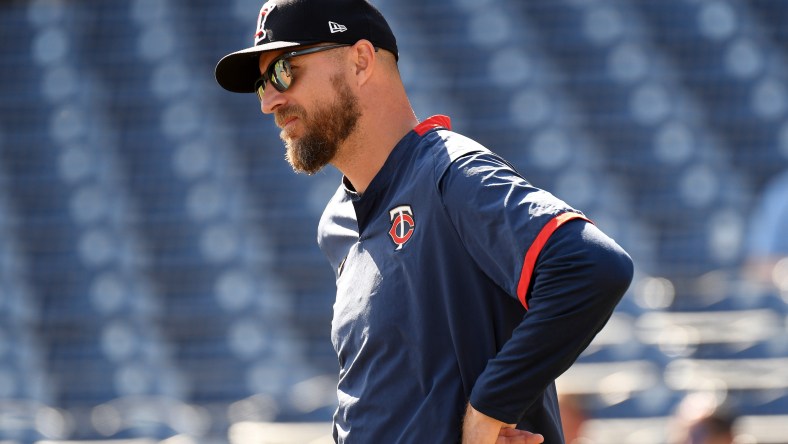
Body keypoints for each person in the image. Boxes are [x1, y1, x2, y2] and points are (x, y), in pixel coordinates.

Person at [214, 0, 634, 442]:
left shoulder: (451, 174)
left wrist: (488, 409)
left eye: (283, 71)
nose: (270, 102)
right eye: (263, 85)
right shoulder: (336, 224)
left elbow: (594, 266)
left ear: (360, 61)